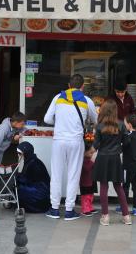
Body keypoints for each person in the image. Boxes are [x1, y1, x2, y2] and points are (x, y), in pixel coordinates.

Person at [44, 74, 98, 221]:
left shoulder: (58, 98)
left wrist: (61, 120)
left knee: (56, 175)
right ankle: (69, 211)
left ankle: (54, 209)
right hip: (75, 141)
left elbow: (47, 119)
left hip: (59, 141)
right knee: (73, 175)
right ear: (82, 87)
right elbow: (95, 120)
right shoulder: (87, 101)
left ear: (69, 85)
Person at [90, 99, 132, 226]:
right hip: (115, 158)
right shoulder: (120, 125)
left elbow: (96, 145)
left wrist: (89, 152)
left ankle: (105, 217)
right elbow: (127, 142)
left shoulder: (99, 126)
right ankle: (126, 217)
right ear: (115, 111)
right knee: (118, 186)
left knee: (104, 186)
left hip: (102, 158)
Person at [0, 112, 26, 182]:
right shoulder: (4, 128)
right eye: (22, 124)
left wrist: (19, 135)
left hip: (0, 150)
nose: (23, 126)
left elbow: (25, 130)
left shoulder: (15, 126)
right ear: (15, 122)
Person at [116, 114, 136, 216]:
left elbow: (122, 149)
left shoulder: (128, 137)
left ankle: (124, 207)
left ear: (130, 125)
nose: (124, 125)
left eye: (125, 123)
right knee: (135, 186)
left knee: (125, 187)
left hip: (128, 166)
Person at [16, 141, 51, 213]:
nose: (18, 155)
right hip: (38, 189)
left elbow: (28, 179)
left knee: (18, 188)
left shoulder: (34, 164)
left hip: (41, 194)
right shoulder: (30, 161)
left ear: (26, 152)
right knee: (16, 186)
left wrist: (17, 178)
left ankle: (31, 207)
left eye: (20, 153)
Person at [80, 143, 98, 217]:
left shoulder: (89, 160)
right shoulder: (83, 160)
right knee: (85, 196)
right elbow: (87, 168)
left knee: (90, 195)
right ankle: (85, 209)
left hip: (91, 180)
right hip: (85, 181)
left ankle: (89, 207)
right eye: (90, 152)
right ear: (84, 152)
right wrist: (92, 162)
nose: (92, 154)